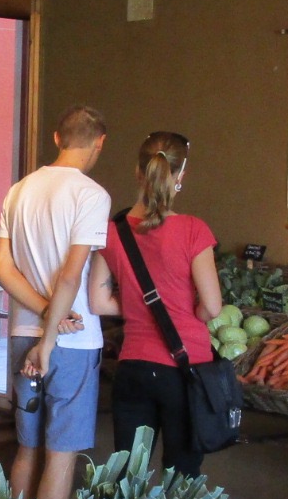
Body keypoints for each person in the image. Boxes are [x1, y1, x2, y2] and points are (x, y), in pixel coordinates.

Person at [0, 104, 110, 499]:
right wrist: (52, 335)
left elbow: (1, 268)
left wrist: (43, 315)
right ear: (100, 144)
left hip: (23, 330)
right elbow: (70, 276)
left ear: (57, 139)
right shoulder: (91, 195)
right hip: (72, 341)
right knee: (61, 453)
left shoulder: (19, 190)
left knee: (27, 447)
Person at [86, 131, 222, 477]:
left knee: (128, 475)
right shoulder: (194, 231)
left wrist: (137, 305)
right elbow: (212, 306)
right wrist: (188, 310)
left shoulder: (112, 231)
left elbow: (98, 302)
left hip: (133, 367)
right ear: (180, 176)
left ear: (138, 172)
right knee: (182, 475)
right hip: (185, 368)